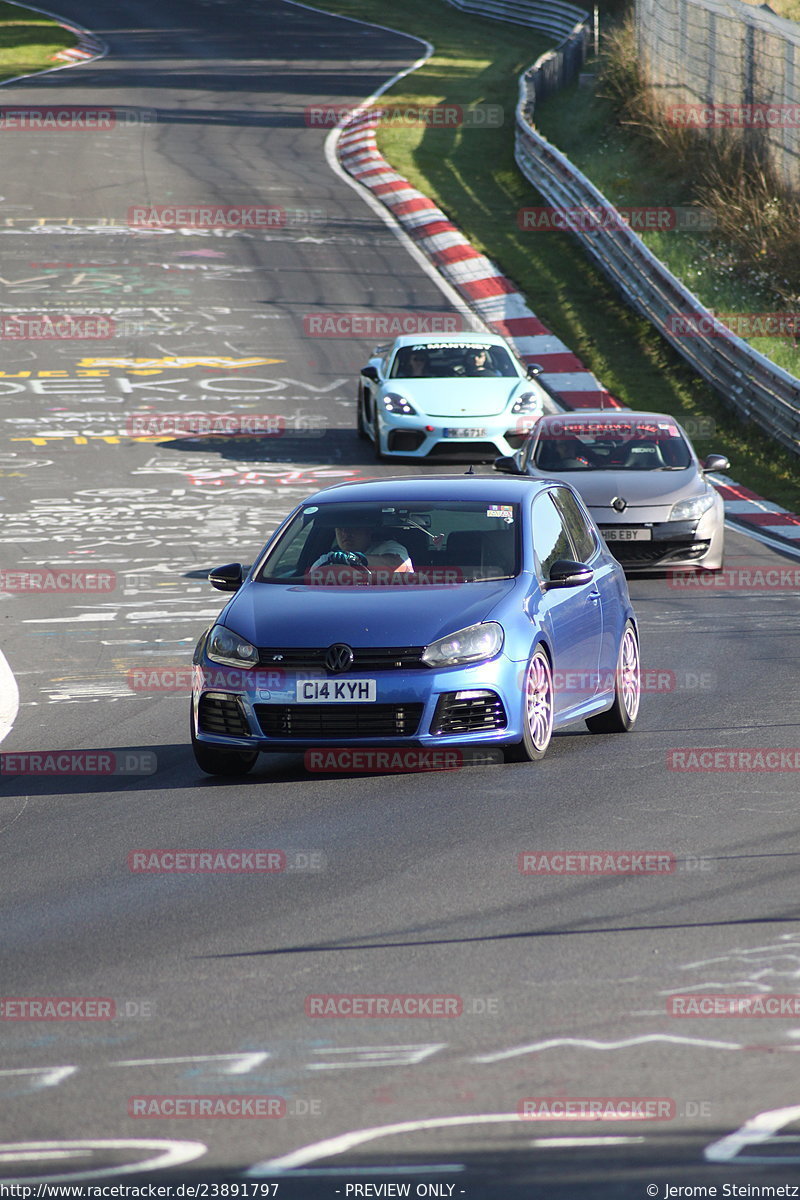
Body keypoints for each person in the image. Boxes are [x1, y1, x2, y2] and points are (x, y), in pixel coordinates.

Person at [311, 524, 413, 574]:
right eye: (340, 529)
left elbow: (398, 564)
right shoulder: (328, 559)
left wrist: (354, 558)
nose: (345, 533)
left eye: (352, 528)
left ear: (368, 530)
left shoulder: (390, 547)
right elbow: (310, 581)